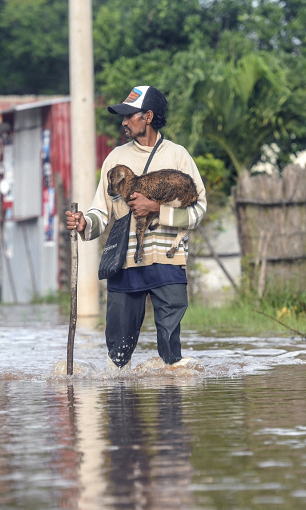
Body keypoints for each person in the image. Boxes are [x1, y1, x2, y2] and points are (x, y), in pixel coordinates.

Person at [65, 86, 207, 369]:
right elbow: (100, 212)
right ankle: (119, 394)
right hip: (125, 264)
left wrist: (157, 209)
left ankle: (171, 390)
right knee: (118, 357)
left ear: (148, 117)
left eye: (129, 115)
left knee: (172, 358)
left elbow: (199, 210)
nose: (124, 122)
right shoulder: (115, 159)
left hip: (167, 263)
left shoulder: (178, 157)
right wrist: (84, 223)